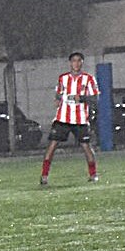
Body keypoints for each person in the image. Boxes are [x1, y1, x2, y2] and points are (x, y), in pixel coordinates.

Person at [40, 52, 101, 185]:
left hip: (80, 119)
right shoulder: (63, 78)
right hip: (63, 118)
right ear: (70, 63)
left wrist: (82, 98)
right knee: (52, 145)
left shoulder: (88, 79)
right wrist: (57, 100)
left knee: (86, 146)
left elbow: (95, 98)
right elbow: (58, 94)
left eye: (79, 61)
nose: (76, 63)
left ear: (82, 63)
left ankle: (93, 174)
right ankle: (44, 175)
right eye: (74, 61)